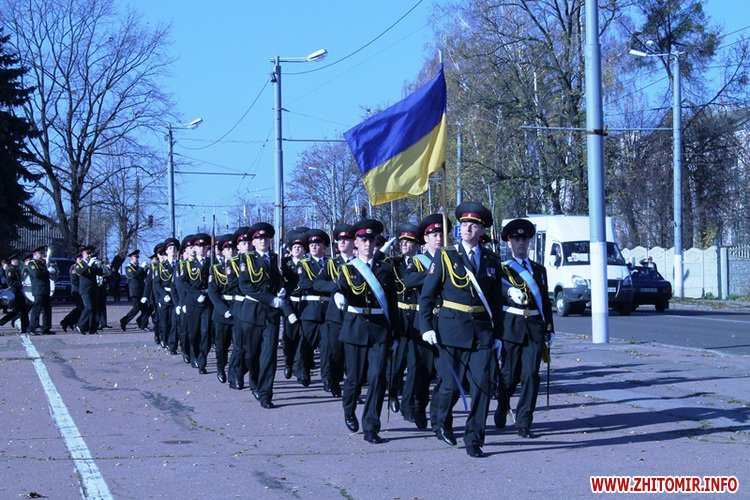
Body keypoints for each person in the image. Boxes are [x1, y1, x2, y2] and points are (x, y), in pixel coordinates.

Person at [418, 202, 503, 458]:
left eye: (473, 225)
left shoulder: (491, 259)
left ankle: (474, 438)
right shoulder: (446, 256)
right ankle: (440, 422)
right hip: (451, 330)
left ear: (482, 230)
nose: (467, 228)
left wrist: (498, 335)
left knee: (482, 386)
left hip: (482, 333)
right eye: (464, 224)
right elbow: (427, 295)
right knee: (451, 387)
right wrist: (426, 326)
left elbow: (495, 302)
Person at [336, 219, 399, 445]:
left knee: (378, 377)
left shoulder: (386, 269)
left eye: (371, 239)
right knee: (354, 378)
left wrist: (395, 333)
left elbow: (392, 303)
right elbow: (341, 288)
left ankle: (371, 426)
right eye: (363, 239)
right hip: (356, 327)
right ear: (356, 242)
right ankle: (349, 408)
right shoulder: (347, 269)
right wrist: (338, 295)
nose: (367, 243)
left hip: (380, 329)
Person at [494, 218, 555, 439]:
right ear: (509, 243)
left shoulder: (539, 270)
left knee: (530, 376)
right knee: (509, 377)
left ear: (529, 242)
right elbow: (496, 296)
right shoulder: (502, 269)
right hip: (511, 328)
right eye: (516, 239)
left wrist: (550, 328)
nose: (521, 242)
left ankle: (524, 422)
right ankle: (502, 405)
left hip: (535, 329)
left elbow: (545, 301)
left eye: (524, 239)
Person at [401, 214, 451, 431]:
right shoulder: (417, 261)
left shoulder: (453, 259)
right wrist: (434, 273)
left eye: (442, 234)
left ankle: (439, 414)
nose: (438, 238)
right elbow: (408, 280)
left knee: (445, 372)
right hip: (425, 320)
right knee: (421, 370)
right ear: (426, 239)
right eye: (434, 235)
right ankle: (418, 406)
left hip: (448, 320)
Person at [237, 222, 291, 408]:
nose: (263, 241)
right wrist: (270, 299)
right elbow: (245, 286)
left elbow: (288, 279)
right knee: (252, 354)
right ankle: (254, 381)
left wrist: (284, 290)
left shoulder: (276, 259)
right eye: (259, 238)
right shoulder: (246, 260)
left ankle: (266, 393)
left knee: (269, 355)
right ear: (253, 242)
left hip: (271, 316)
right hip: (252, 313)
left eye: (266, 238)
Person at [313, 224, 355, 398]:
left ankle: (352, 389)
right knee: (335, 353)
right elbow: (317, 283)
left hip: (354, 314)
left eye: (346, 239)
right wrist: (336, 288)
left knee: (352, 355)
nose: (342, 242)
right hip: (336, 316)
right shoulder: (331, 264)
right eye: (340, 240)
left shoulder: (359, 262)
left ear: (354, 242)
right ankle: (335, 381)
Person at [387, 223, 420, 420]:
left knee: (414, 365)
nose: (405, 245)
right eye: (402, 242)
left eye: (409, 242)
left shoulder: (423, 263)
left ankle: (408, 406)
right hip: (399, 317)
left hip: (416, 317)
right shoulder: (394, 263)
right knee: (397, 363)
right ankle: (392, 392)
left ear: (417, 244)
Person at [293, 228, 330, 387]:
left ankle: (327, 378)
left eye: (317, 243)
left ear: (324, 246)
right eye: (311, 244)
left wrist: (320, 285)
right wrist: (325, 285)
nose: (314, 246)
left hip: (328, 308)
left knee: (327, 346)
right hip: (310, 309)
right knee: (306, 344)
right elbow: (304, 284)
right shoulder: (304, 264)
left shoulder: (330, 263)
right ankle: (303, 372)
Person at [181, 233, 213, 374]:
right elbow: (183, 283)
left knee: (206, 332)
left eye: (204, 246)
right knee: (193, 334)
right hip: (193, 303)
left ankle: (202, 360)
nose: (201, 249)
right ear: (194, 248)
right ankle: (194, 354)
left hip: (207, 302)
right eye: (199, 246)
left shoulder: (212, 264)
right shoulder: (188, 264)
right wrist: (196, 294)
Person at [207, 234, 235, 384]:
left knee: (240, 346)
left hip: (238, 310)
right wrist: (224, 310)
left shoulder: (243, 267)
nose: (231, 251)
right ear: (222, 252)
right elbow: (213, 292)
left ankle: (235, 372)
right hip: (221, 312)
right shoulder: (216, 269)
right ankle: (220, 368)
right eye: (227, 249)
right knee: (222, 346)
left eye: (233, 248)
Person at [281, 231, 306, 382]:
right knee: (289, 337)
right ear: (290, 250)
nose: (297, 249)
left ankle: (299, 368)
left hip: (305, 303)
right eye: (294, 247)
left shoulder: (308, 263)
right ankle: (288, 363)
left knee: (303, 337)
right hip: (290, 302)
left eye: (300, 247)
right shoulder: (284, 264)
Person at [27, 245, 54, 335]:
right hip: (38, 290)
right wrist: (47, 271)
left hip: (46, 289)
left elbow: (46, 275)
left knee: (47, 310)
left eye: (43, 253)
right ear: (35, 254)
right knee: (36, 310)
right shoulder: (32, 264)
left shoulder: (42, 263)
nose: (42, 255)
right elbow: (36, 274)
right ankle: (32, 328)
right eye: (40, 253)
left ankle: (46, 328)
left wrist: (51, 273)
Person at [119, 250, 148, 331]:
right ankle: (124, 320)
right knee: (136, 308)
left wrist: (144, 269)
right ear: (131, 258)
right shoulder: (128, 267)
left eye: (137, 257)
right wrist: (141, 268)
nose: (137, 259)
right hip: (134, 291)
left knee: (145, 309)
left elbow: (144, 276)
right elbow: (133, 275)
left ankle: (142, 324)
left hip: (142, 291)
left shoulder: (138, 267)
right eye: (135, 257)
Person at [0, 252, 29, 333]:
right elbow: (10, 283)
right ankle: (2, 321)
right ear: (13, 260)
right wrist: (21, 283)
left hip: (19, 292)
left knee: (23, 310)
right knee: (16, 311)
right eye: (17, 260)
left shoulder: (16, 269)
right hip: (14, 292)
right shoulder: (10, 269)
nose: (18, 261)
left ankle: (25, 328)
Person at [60, 253, 84, 332]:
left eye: (81, 258)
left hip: (81, 290)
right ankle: (66, 321)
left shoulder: (82, 267)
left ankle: (71, 322)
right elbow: (74, 280)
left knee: (81, 308)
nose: (81, 260)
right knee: (81, 308)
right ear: (76, 260)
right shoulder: (74, 267)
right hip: (77, 290)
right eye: (79, 259)